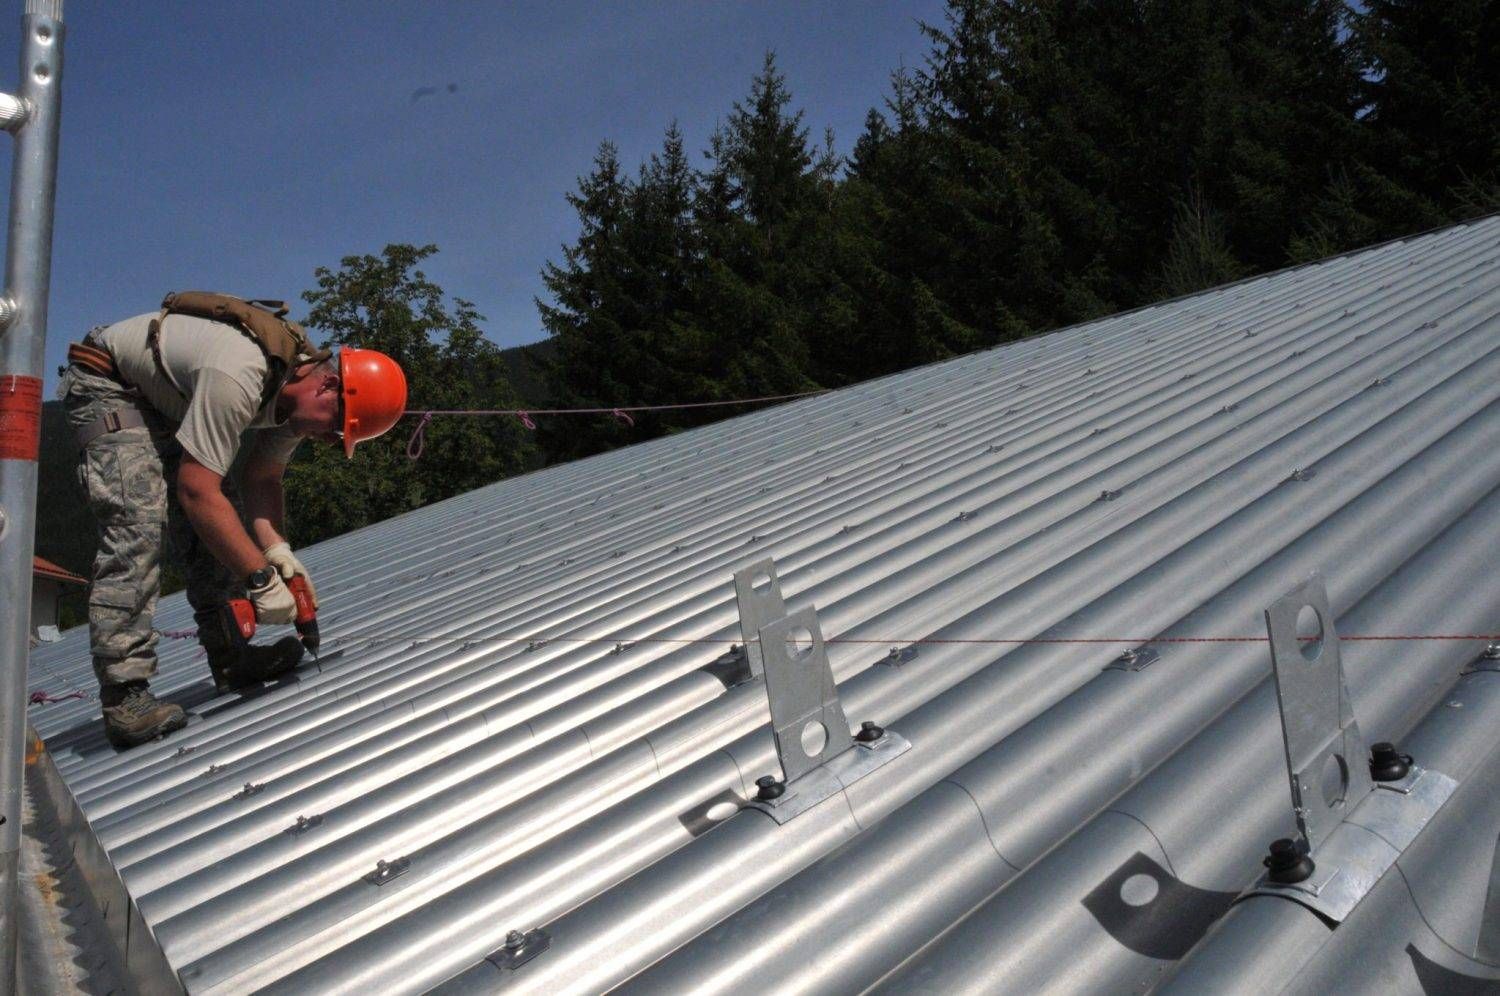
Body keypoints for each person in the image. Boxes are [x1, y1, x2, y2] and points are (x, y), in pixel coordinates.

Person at [57, 292, 407, 748]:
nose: (329, 439)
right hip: (112, 383)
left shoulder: (294, 396)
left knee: (224, 525)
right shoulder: (239, 374)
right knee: (138, 522)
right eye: (337, 426)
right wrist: (259, 579)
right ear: (328, 387)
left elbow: (262, 478)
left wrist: (278, 552)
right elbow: (196, 491)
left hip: (168, 399)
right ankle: (125, 696)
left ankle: (231, 658)